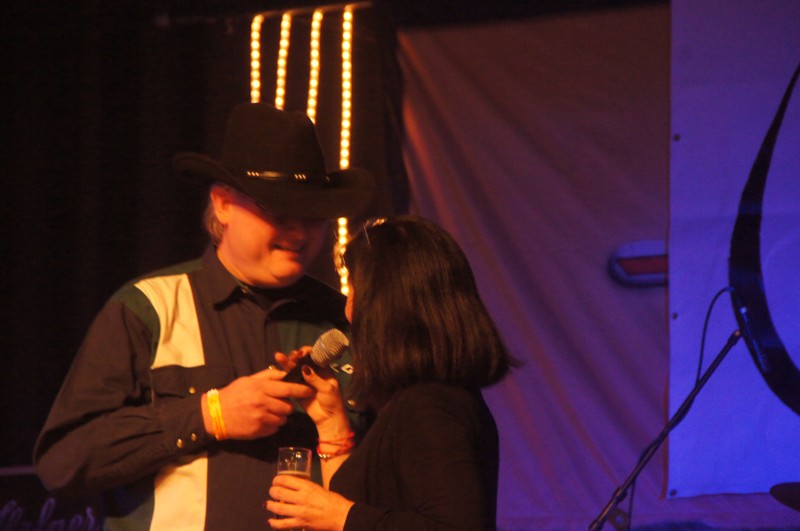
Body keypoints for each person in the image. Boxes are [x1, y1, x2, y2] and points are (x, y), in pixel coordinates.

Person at [33, 102, 375, 530]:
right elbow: (64, 462)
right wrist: (210, 414)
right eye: (278, 212)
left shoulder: (347, 321)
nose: (299, 232)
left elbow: (393, 480)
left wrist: (337, 433)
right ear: (223, 204)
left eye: (313, 217)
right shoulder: (150, 307)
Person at [265, 215, 515, 530]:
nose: (348, 311)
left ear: (383, 306)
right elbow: (361, 504)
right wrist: (330, 422)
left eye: (355, 291)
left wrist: (341, 516)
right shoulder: (419, 402)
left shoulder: (431, 407)